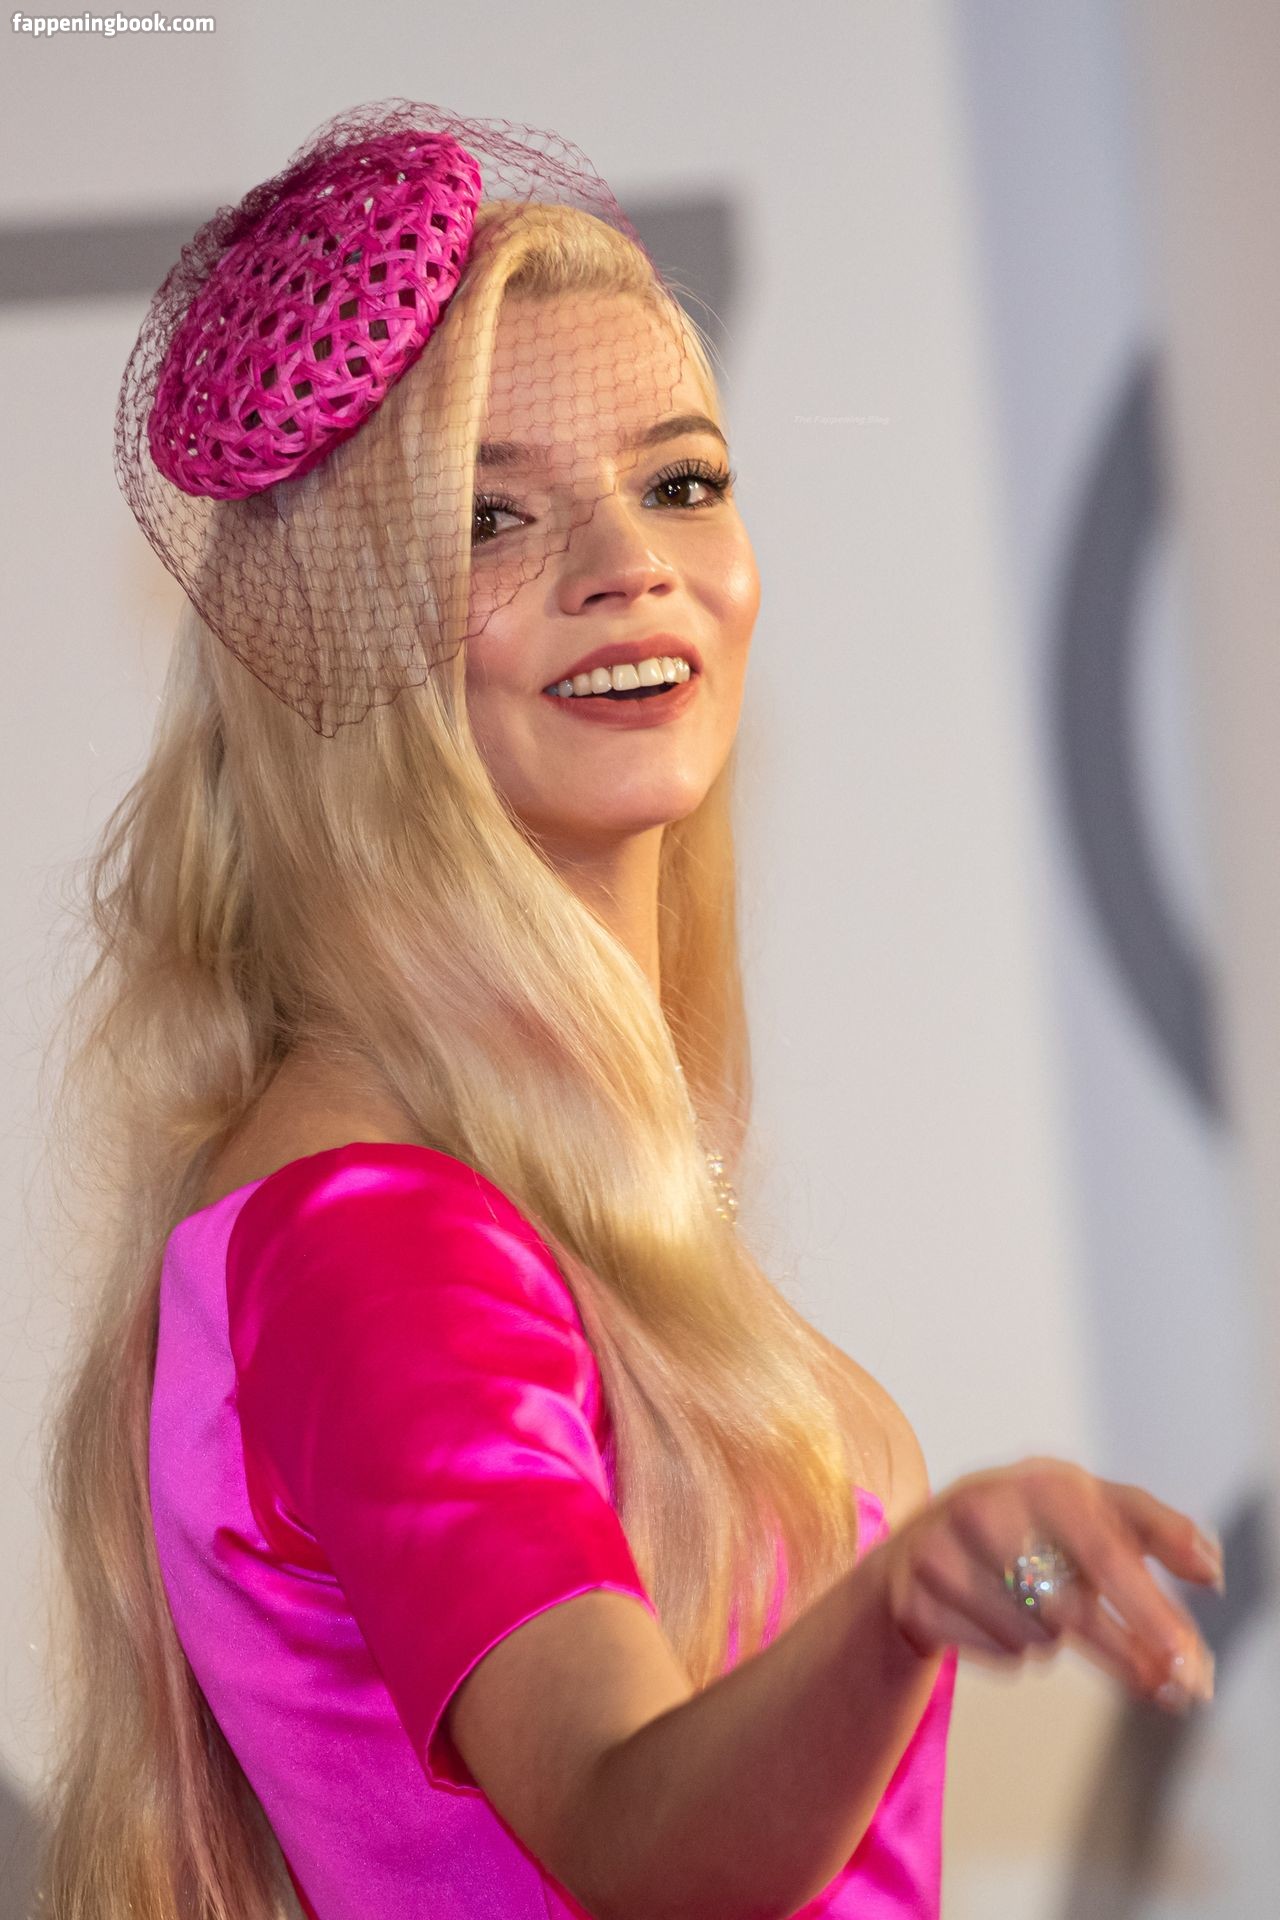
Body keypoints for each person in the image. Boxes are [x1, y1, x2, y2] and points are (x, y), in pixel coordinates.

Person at [34, 100, 1222, 1920]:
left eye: (680, 482)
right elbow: (630, 1831)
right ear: (344, 632)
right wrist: (895, 1608)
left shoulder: (484, 1194)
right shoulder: (375, 1230)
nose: (631, 566)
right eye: (492, 517)